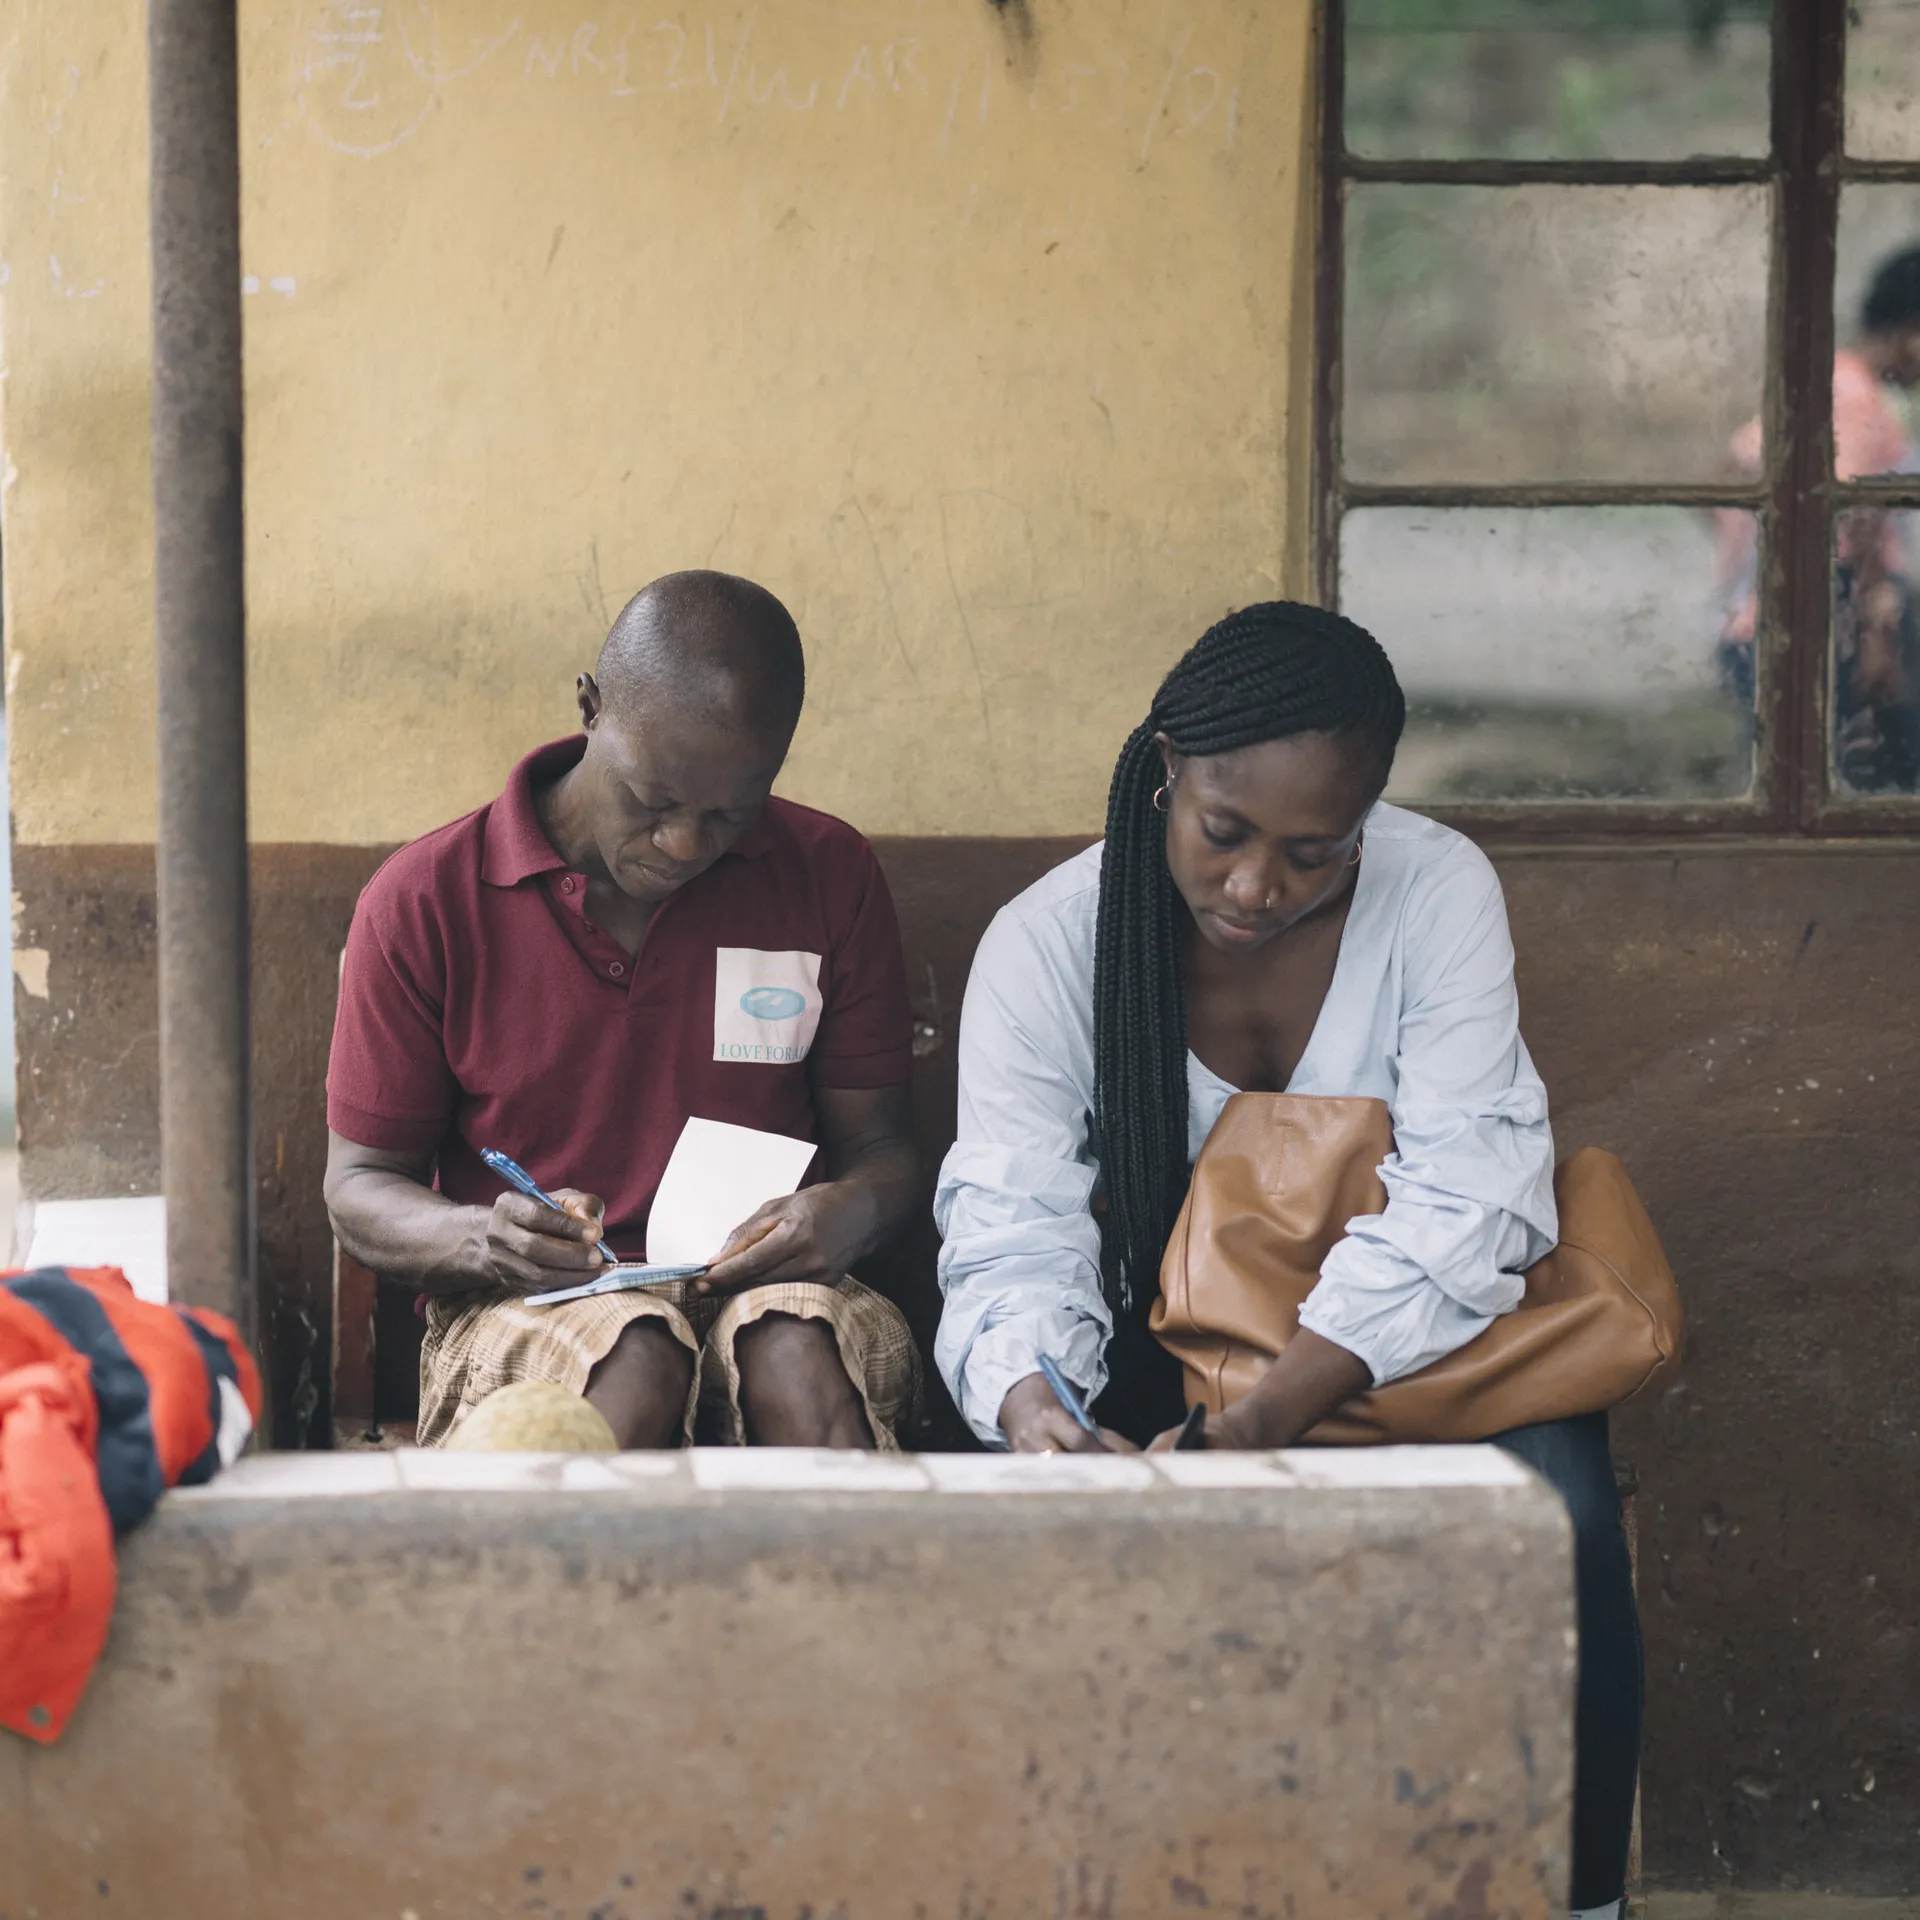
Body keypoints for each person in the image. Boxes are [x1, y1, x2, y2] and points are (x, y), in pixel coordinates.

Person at [933, 602, 1640, 1920]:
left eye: (1315, 853)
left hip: (1424, 1352)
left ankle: (1583, 1903)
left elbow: (1472, 1193)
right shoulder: (1051, 942)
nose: (1257, 887)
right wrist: (1037, 1408)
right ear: (1167, 773)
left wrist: (1267, 1417)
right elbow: (1014, 1223)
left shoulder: (1437, 892)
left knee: (1564, 1527)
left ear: (1369, 819)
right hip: (1163, 1352)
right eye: (1225, 834)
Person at [325, 571, 921, 1451]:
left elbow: (885, 1154)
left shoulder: (828, 874)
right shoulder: (427, 900)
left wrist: (848, 1212)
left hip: (772, 1287)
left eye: (730, 813)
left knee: (796, 1357)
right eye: (654, 800)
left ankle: (834, 1553)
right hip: (525, 1298)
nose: (683, 844)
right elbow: (358, 1188)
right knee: (635, 1359)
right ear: (590, 707)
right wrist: (486, 1238)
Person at [1716, 242, 1920, 792]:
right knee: (1849, 787)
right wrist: (1877, 631)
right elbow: (1852, 507)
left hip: (1761, 624)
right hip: (1823, 624)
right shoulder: (1858, 401)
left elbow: (1727, 471)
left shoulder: (1821, 382)